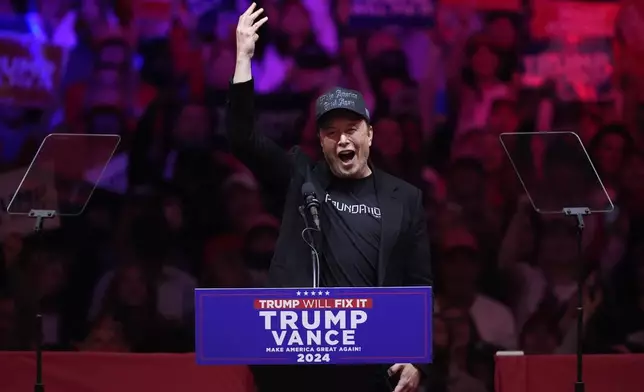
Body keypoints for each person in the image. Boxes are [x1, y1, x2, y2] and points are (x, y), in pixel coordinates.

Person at [228, 4, 432, 392]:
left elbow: (417, 286)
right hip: (295, 367)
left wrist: (418, 358)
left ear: (369, 134)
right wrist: (243, 59)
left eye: (351, 128)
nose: (342, 139)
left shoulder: (404, 198)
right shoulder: (299, 176)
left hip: (369, 367)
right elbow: (243, 139)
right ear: (319, 141)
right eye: (330, 131)